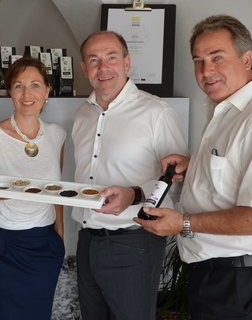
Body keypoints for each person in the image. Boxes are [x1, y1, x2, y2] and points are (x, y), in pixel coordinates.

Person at [136, 15, 252, 320]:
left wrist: (183, 223)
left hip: (242, 281)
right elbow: (231, 178)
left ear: (247, 58)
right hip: (220, 276)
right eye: (198, 60)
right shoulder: (226, 112)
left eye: (217, 57)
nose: (205, 70)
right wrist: (196, 166)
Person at [72, 31, 188, 319]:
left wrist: (134, 193)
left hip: (133, 242)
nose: (103, 67)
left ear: (126, 62)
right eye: (94, 60)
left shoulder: (156, 112)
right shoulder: (82, 115)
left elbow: (177, 183)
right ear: (85, 68)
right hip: (87, 240)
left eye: (111, 58)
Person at [0, 57, 66, 320]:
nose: (26, 93)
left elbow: (56, 189)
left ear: (47, 90)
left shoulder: (57, 135)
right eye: (18, 85)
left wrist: (59, 233)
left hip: (42, 245)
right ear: (9, 92)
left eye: (34, 85)